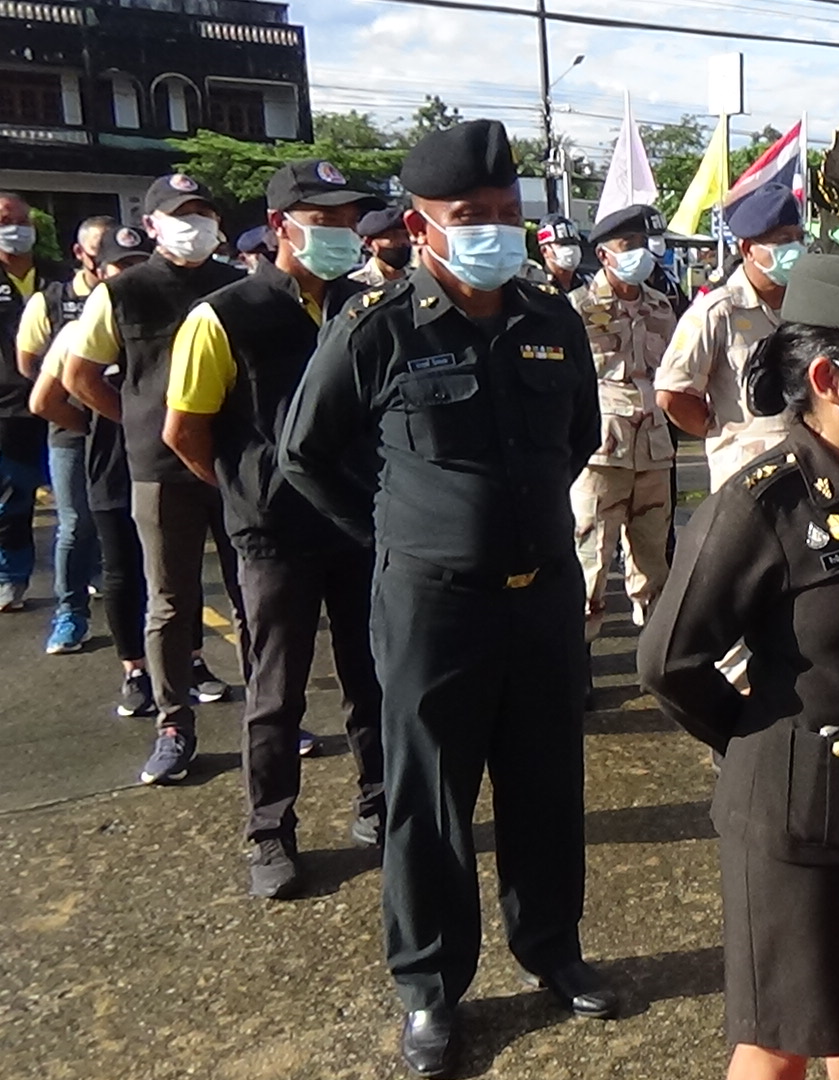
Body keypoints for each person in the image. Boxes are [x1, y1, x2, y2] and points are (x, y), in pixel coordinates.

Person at [278, 120, 614, 1078]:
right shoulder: (376, 328)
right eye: (471, 215)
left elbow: (577, 438)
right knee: (429, 799)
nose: (494, 229)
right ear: (421, 226)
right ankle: (429, 986)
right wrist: (399, 530)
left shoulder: (551, 322)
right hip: (433, 606)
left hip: (543, 596)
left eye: (506, 212)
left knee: (548, 782)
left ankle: (551, 947)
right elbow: (304, 453)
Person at [638, 254, 839, 1080]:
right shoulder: (764, 501)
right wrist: (763, 739)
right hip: (803, 820)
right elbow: (669, 659)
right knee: (783, 1035)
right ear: (826, 377)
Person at [161, 160, 387, 899]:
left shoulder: (364, 305)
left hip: (357, 521)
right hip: (274, 533)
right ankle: (270, 832)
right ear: (280, 227)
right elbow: (184, 430)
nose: (343, 234)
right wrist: (245, 490)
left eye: (349, 222)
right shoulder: (224, 316)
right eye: (325, 223)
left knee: (371, 672)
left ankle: (379, 802)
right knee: (277, 687)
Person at [64, 173, 245, 785]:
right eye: (180, 213)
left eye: (203, 212)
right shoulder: (122, 292)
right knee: (169, 599)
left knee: (253, 594)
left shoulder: (237, 286)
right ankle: (173, 724)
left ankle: (272, 713)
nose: (195, 224)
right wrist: (139, 417)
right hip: (162, 468)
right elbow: (80, 376)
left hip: (234, 461)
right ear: (152, 225)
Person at [30, 224, 159, 715]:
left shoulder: (170, 320)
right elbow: (46, 400)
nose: (131, 276)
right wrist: (101, 426)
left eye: (139, 265)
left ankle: (192, 663)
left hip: (163, 464)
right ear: (99, 271)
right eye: (120, 267)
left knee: (171, 571)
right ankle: (133, 670)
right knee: (118, 566)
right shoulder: (78, 330)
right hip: (111, 466)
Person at [571, 203, 678, 640]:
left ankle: (657, 655)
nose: (639, 252)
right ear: (604, 254)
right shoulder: (577, 307)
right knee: (591, 562)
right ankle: (578, 658)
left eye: (643, 243)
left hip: (653, 449)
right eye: (627, 244)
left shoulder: (662, 307)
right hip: (601, 454)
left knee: (654, 563)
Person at [657, 181, 801, 488]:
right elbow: (672, 394)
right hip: (744, 478)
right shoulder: (717, 312)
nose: (796, 249)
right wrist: (722, 433)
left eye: (799, 239)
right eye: (783, 240)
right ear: (748, 249)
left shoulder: (806, 308)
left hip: (804, 468)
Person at [15, 215, 113, 651]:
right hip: (73, 431)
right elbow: (29, 367)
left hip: (125, 434)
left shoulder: (132, 296)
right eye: (99, 253)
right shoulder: (52, 302)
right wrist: (80, 415)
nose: (109, 263)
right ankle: (70, 613)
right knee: (76, 524)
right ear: (80, 253)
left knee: (125, 525)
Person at [0, 190, 58, 613]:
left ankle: (90, 571)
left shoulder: (58, 277)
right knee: (12, 500)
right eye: (5, 221)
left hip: (61, 401)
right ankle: (11, 578)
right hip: (8, 409)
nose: (16, 229)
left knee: (80, 500)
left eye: (22, 221)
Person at [350, 206, 412, 286]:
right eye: (393, 236)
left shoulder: (419, 279)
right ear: (369, 243)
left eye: (406, 235)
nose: (403, 241)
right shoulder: (356, 284)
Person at [535, 213, 587, 295]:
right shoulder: (536, 288)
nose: (571, 248)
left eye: (574, 242)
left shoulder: (589, 284)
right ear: (544, 251)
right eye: (563, 243)